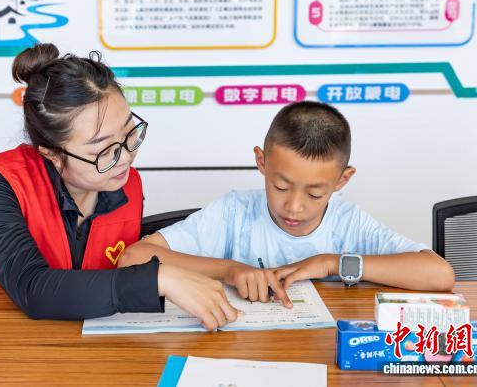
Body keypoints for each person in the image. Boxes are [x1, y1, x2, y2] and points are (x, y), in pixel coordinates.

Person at [0, 43, 240, 329]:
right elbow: (33, 288)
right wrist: (157, 279)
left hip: (67, 341)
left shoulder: (126, 183)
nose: (125, 158)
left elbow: (102, 282)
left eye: (130, 134)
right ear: (51, 153)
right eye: (103, 150)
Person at [118, 101, 455, 306]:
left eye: (314, 194)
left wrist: (331, 263)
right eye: (280, 186)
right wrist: (229, 269)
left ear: (342, 180)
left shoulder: (349, 222)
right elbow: (133, 257)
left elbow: (440, 274)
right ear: (261, 162)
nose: (294, 207)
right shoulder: (235, 212)